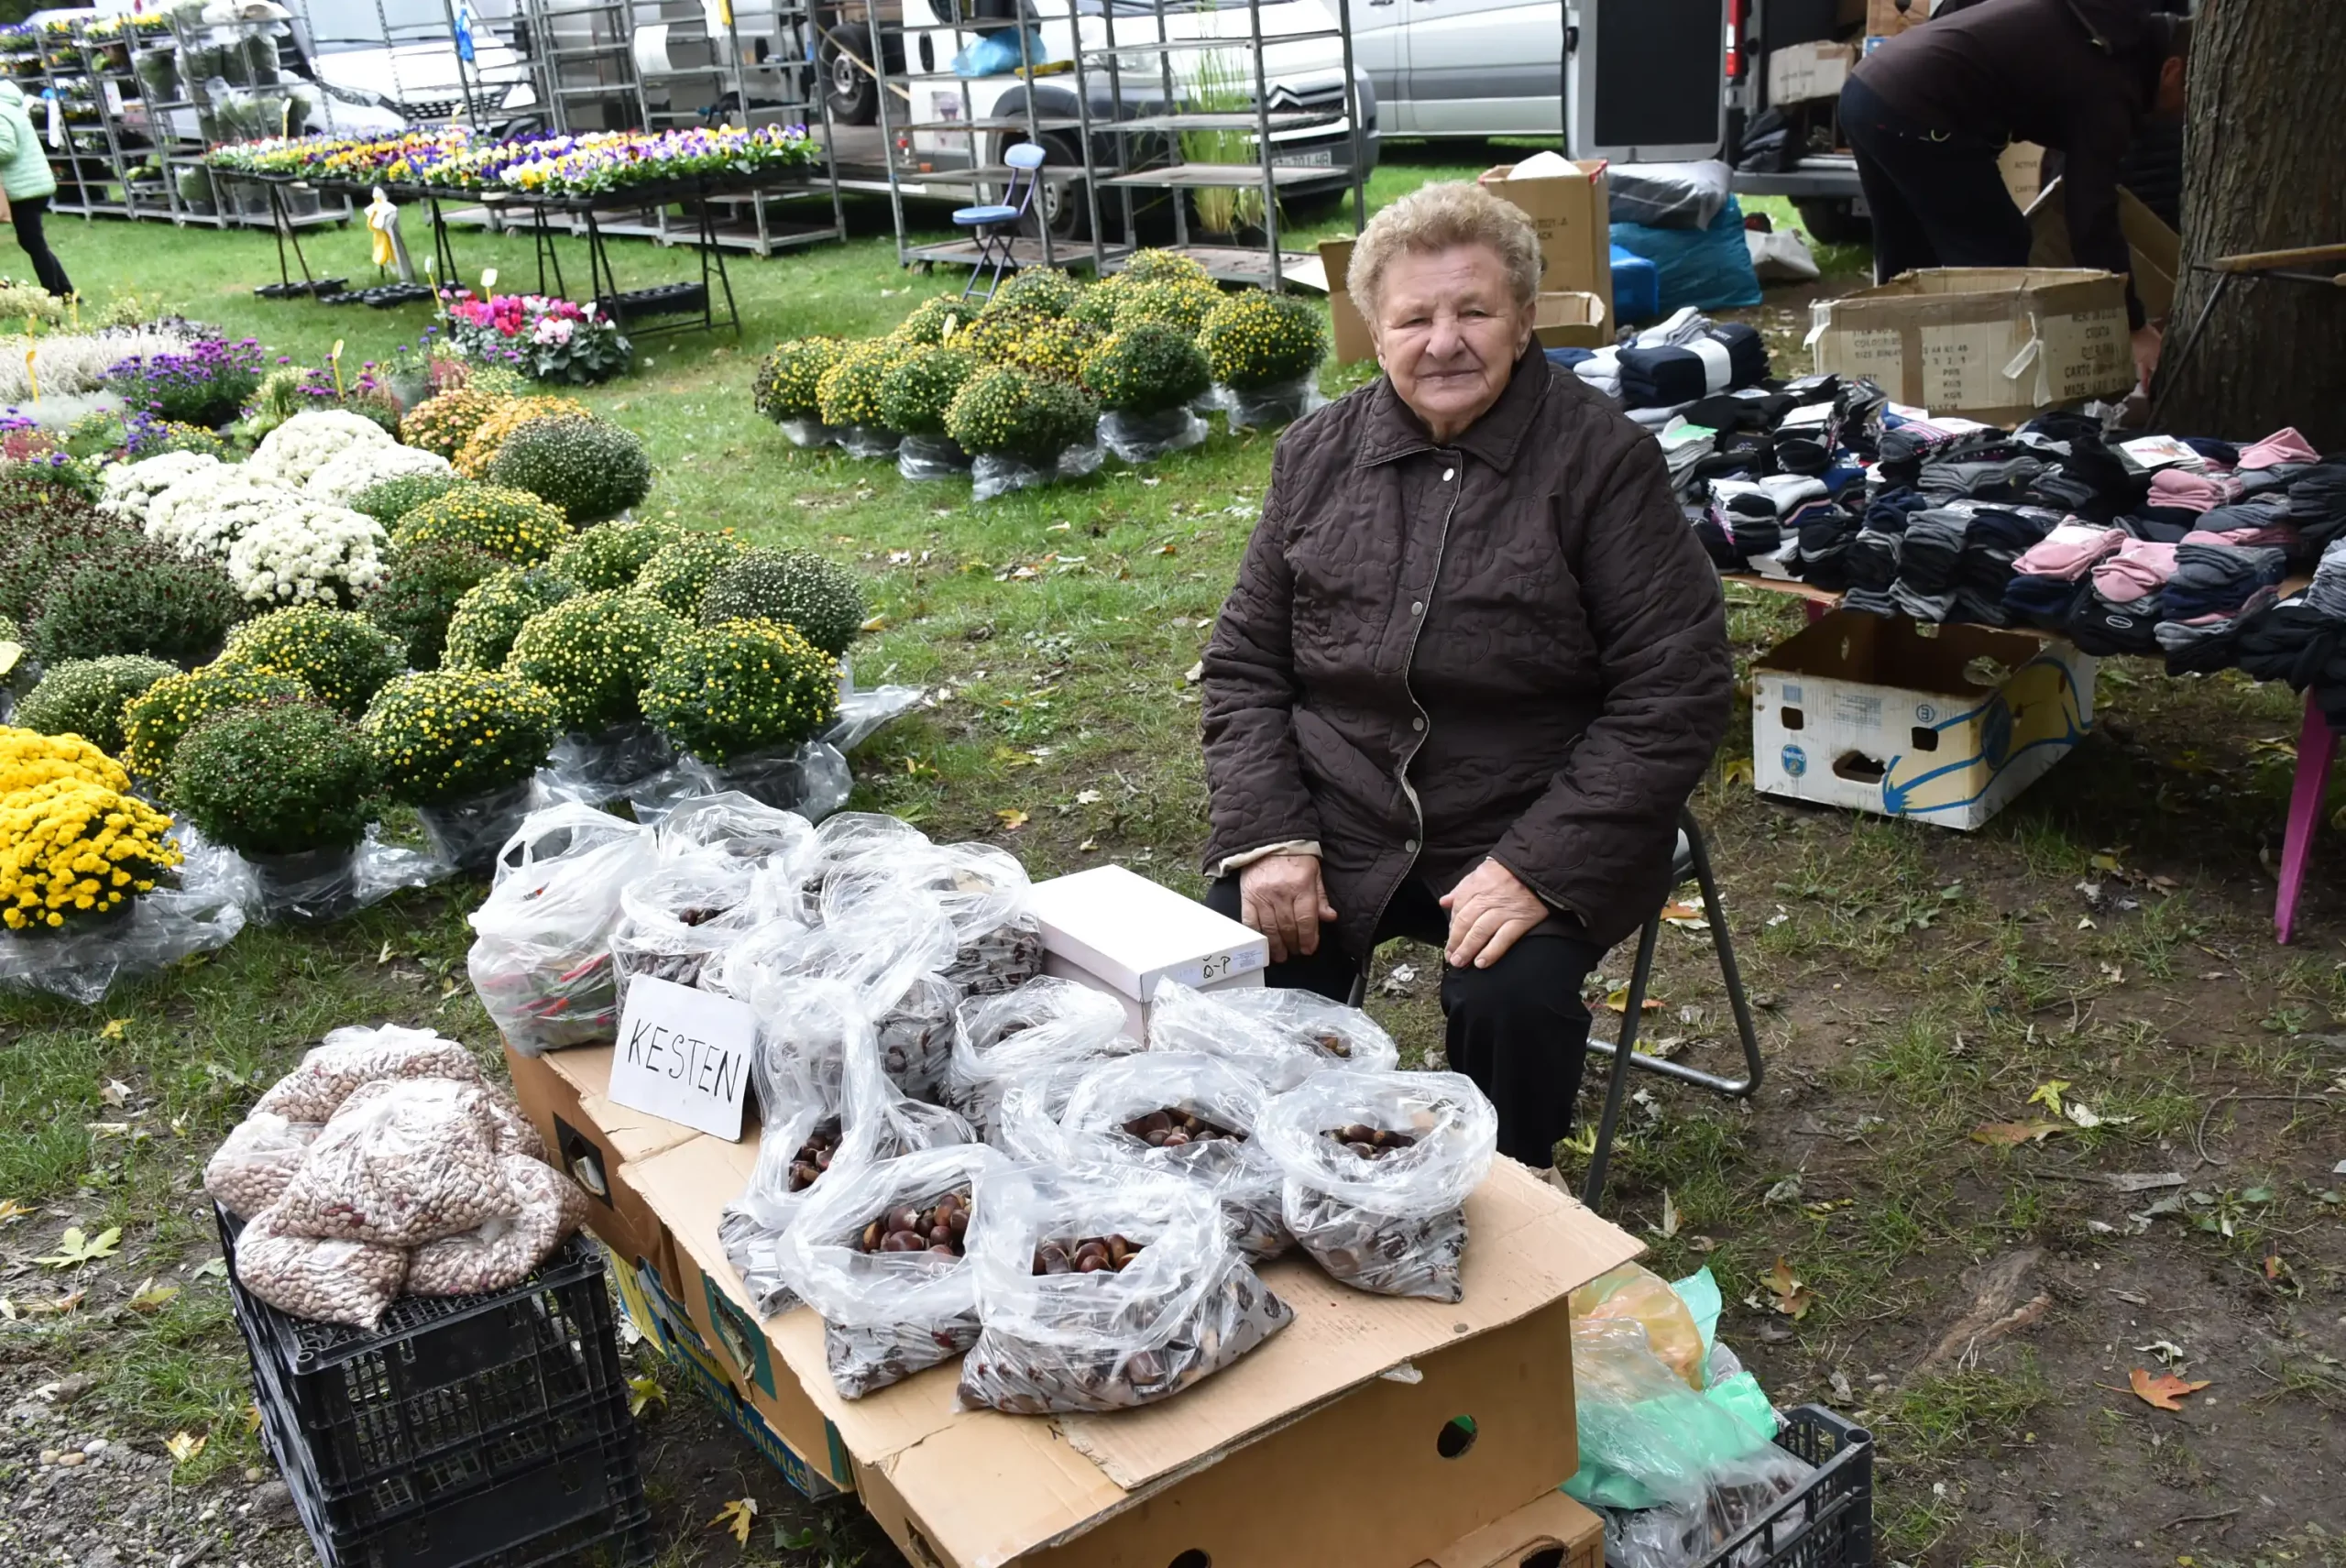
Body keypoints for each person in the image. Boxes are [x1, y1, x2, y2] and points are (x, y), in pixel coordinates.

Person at [1199, 181, 1733, 1176]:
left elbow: (1676, 688)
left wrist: (1540, 863)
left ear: (1524, 321)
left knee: (1507, 996)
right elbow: (1243, 666)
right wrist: (1271, 836)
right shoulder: (1314, 457)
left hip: (1529, 809)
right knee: (1235, 962)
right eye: (1413, 317)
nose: (1443, 341)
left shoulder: (1602, 463)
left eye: (1473, 311)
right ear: (1373, 329)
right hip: (1340, 807)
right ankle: (1290, 1181)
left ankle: (1501, 1204)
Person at [1839, 0, 2187, 384]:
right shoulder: (2112, 81)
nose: (2181, 113)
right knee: (1996, 257)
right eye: (2187, 97)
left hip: (1867, 88)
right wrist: (2132, 324)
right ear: (2171, 70)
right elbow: (2091, 212)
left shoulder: (2095, 30)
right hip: (1919, 106)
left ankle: (1893, 393)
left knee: (1908, 259)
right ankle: (1987, 400)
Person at [0, 81, 73, 300]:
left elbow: (6, 149)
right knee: (34, 242)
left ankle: (54, 293)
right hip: (34, 185)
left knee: (34, 243)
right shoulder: (11, 108)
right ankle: (66, 291)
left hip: (24, 189)